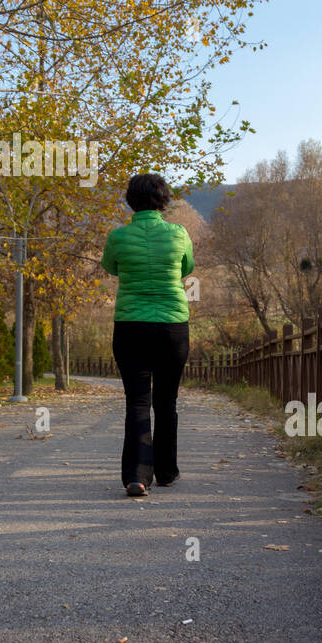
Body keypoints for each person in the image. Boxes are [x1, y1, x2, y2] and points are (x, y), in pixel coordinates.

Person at [100, 173, 194, 497]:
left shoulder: (118, 237)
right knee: (166, 400)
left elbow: (110, 267)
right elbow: (187, 268)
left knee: (137, 401)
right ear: (164, 200)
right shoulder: (179, 234)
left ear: (130, 200)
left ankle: (137, 476)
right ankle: (167, 472)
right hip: (172, 327)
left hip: (131, 327)